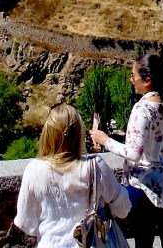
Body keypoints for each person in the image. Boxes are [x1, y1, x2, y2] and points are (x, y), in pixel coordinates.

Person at [89, 54, 163, 248]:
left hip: (146, 186)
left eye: (133, 75)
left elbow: (134, 153)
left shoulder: (142, 109)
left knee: (143, 239)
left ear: (148, 81)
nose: (131, 80)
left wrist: (105, 140)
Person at [15, 103, 131, 247]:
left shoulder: (33, 170)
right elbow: (123, 209)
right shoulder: (95, 166)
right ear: (78, 134)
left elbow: (26, 223)